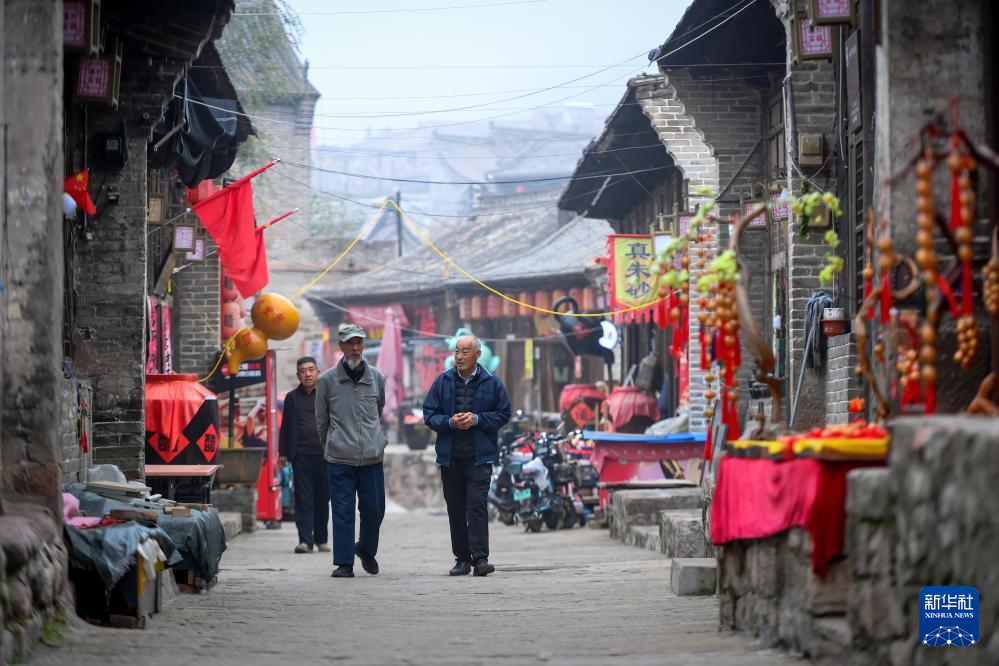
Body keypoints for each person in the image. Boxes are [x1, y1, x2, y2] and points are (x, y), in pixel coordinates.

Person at [423, 333, 511, 577]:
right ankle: (462, 559)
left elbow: (504, 413)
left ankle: (480, 559)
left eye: (464, 352)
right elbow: (429, 413)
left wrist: (478, 419)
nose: (459, 357)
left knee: (477, 506)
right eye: (456, 352)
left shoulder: (492, 383)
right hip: (450, 457)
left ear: (477, 355)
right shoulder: (443, 381)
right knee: (455, 508)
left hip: (479, 456)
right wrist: (449, 422)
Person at [316, 323, 387, 578]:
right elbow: (321, 421)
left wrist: (372, 439)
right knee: (342, 512)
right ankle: (344, 563)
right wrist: (331, 444)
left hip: (372, 457)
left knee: (374, 510)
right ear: (341, 346)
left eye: (359, 342)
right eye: (350, 343)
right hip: (339, 458)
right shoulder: (327, 381)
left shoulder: (376, 378)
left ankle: (366, 549)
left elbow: (379, 410)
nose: (355, 348)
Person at [278, 357, 329, 555]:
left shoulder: (326, 394)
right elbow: (286, 426)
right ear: (298, 375)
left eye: (311, 370)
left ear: (318, 372)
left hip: (325, 455)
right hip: (300, 456)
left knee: (323, 498)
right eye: (303, 371)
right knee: (303, 498)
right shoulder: (291, 398)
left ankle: (321, 539)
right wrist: (283, 452)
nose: (307, 374)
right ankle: (305, 541)